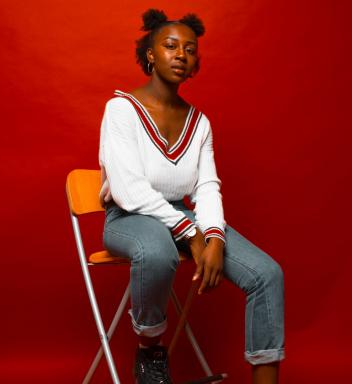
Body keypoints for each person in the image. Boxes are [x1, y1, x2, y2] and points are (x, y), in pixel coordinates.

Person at [99, 9, 285, 384]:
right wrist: (190, 232)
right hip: (129, 217)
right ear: (150, 54)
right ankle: (149, 350)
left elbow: (207, 187)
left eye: (189, 49)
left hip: (185, 218)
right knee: (157, 251)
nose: (181, 54)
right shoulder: (120, 110)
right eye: (170, 46)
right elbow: (131, 191)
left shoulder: (200, 123)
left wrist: (213, 236)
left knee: (267, 274)